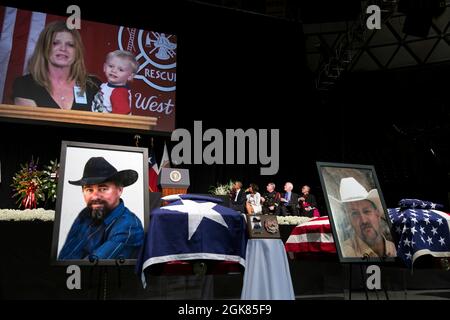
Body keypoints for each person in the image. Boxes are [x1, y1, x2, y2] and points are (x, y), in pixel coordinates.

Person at [58, 157, 144, 260]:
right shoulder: (85, 214)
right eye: (89, 190)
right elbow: (65, 256)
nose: (95, 197)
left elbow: (90, 267)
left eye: (103, 189)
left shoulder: (130, 226)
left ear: (120, 190)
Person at [13, 21, 100, 110]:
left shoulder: (93, 85)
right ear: (44, 47)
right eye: (55, 43)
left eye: (70, 45)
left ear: (77, 52)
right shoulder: (24, 84)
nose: (63, 48)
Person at [333, 177, 396, 258]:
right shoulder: (345, 253)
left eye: (367, 211)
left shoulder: (397, 249)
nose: (364, 220)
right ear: (349, 220)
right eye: (355, 214)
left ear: (377, 214)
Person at [91, 50, 138, 114]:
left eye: (121, 70)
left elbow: (120, 117)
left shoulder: (119, 92)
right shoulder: (104, 86)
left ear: (130, 76)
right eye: (111, 66)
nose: (114, 70)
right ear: (104, 67)